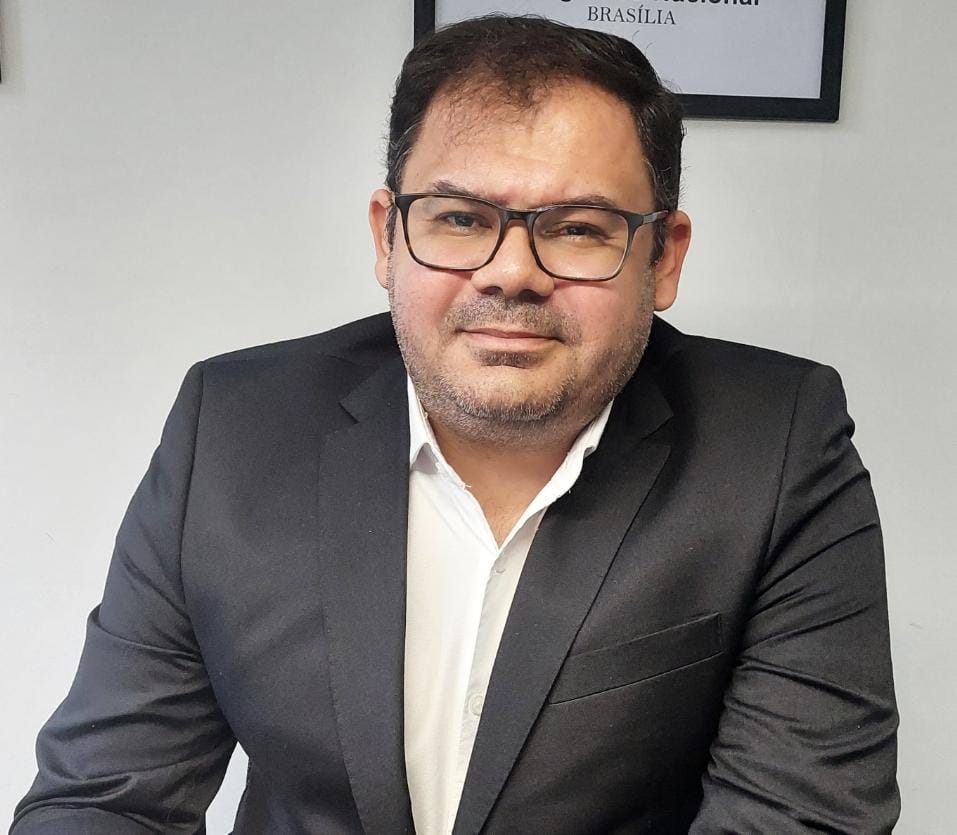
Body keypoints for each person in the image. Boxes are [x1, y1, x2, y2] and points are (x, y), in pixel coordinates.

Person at [12, 15, 899, 835]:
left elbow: (800, 817)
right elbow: (106, 798)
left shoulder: (776, 446)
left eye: (578, 228)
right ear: (386, 237)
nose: (511, 272)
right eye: (461, 218)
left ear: (661, 258)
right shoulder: (233, 428)